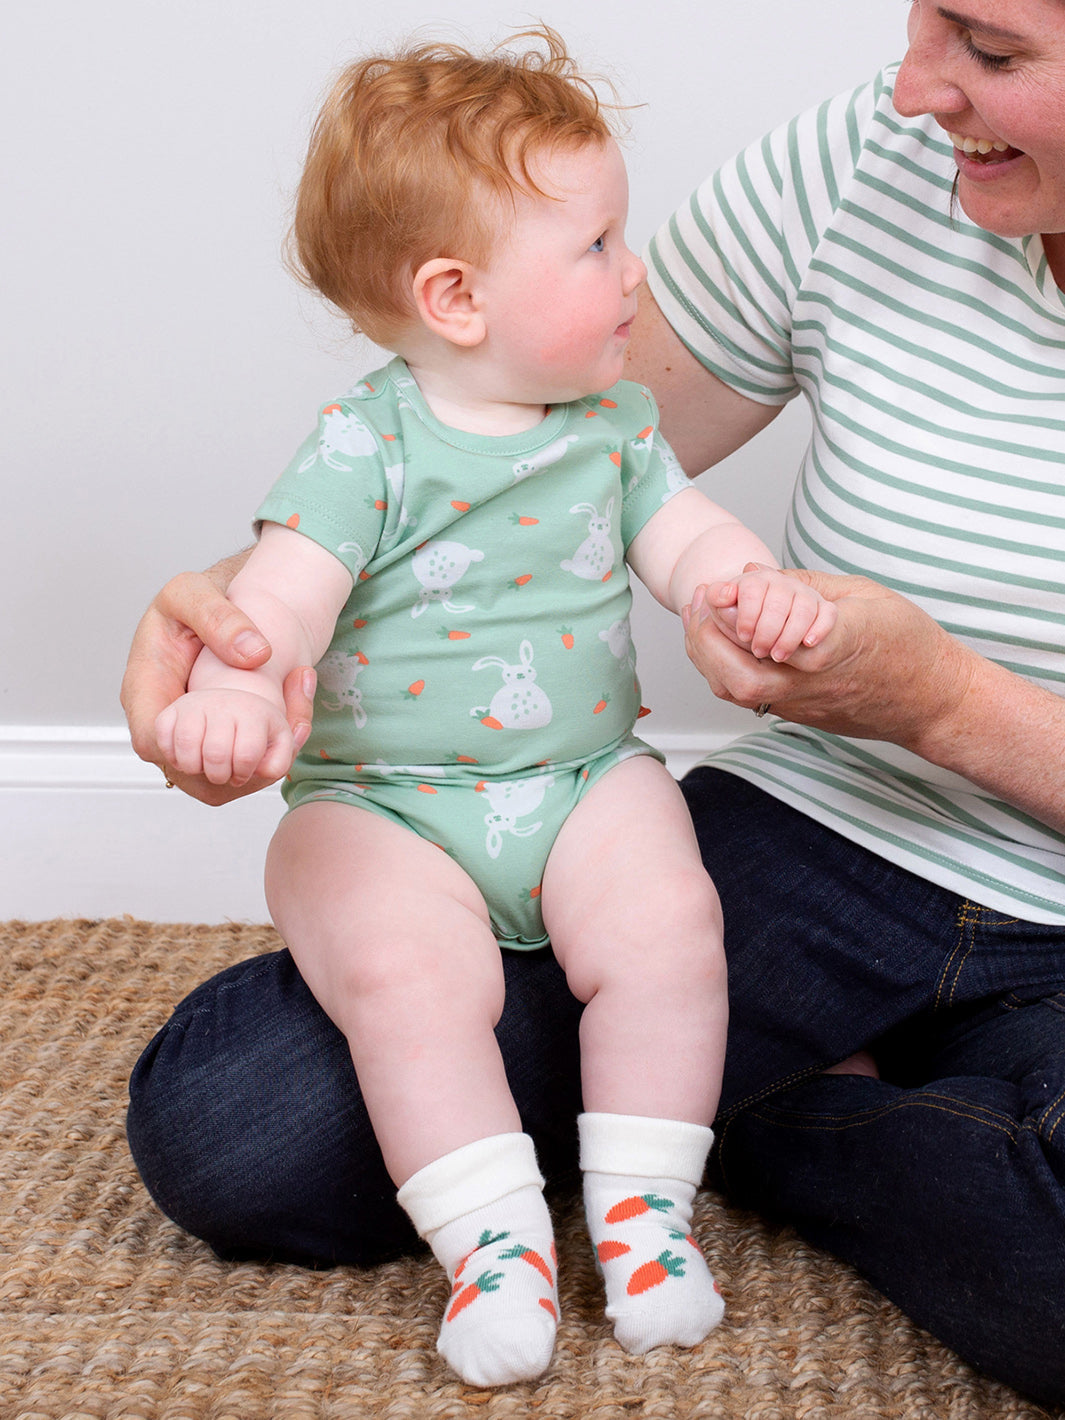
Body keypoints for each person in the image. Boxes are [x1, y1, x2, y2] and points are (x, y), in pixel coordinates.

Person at [122, 0, 1065, 1405]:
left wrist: (934, 698)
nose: (917, 88)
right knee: (238, 1125)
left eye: (992, 53)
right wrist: (234, 633)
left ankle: (769, 1122)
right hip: (813, 840)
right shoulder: (872, 161)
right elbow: (509, 446)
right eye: (925, 17)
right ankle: (704, 1114)